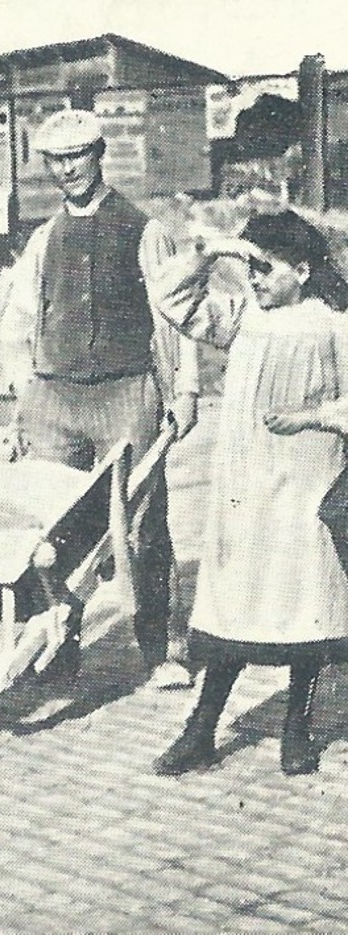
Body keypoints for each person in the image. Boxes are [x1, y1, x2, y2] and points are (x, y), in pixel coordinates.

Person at [0, 108, 200, 688]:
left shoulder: (144, 230)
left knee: (141, 525)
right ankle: (60, 643)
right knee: (53, 527)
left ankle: (162, 650)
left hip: (125, 393)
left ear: (99, 153)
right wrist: (24, 391)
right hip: (55, 400)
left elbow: (176, 317)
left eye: (78, 155)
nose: (69, 170)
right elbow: (17, 323)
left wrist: (183, 391)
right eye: (57, 160)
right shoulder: (43, 239)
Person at [151, 211, 348, 776]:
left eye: (265, 267)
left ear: (304, 271)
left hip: (308, 485)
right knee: (233, 613)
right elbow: (174, 298)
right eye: (250, 266)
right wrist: (211, 252)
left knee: (304, 613)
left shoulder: (334, 324)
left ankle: (296, 733)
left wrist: (314, 415)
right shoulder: (243, 317)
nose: (254, 279)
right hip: (246, 491)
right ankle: (200, 732)